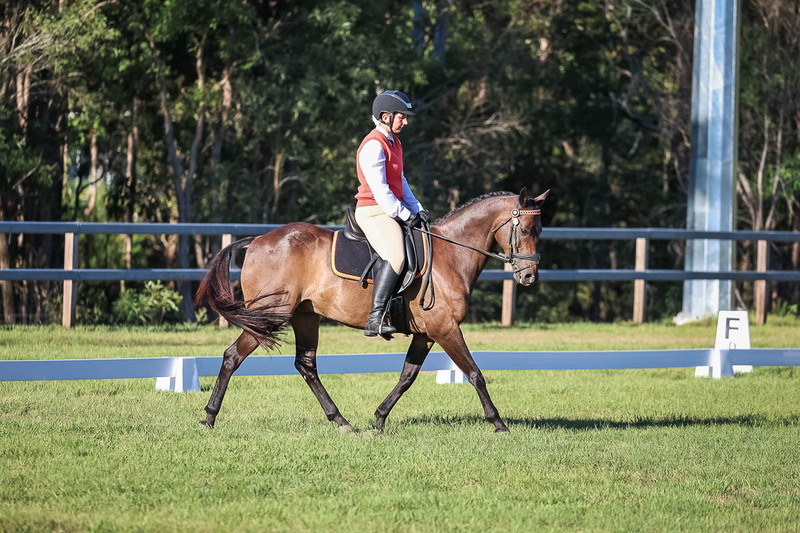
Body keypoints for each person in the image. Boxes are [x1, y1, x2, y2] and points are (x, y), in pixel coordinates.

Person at [355, 90, 429, 337]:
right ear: (385, 116)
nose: (405, 121)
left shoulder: (394, 142)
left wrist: (417, 208)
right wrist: (404, 214)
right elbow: (381, 190)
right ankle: (375, 317)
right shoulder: (373, 145)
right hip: (373, 211)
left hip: (388, 209)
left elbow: (400, 181)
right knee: (397, 256)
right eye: (402, 117)